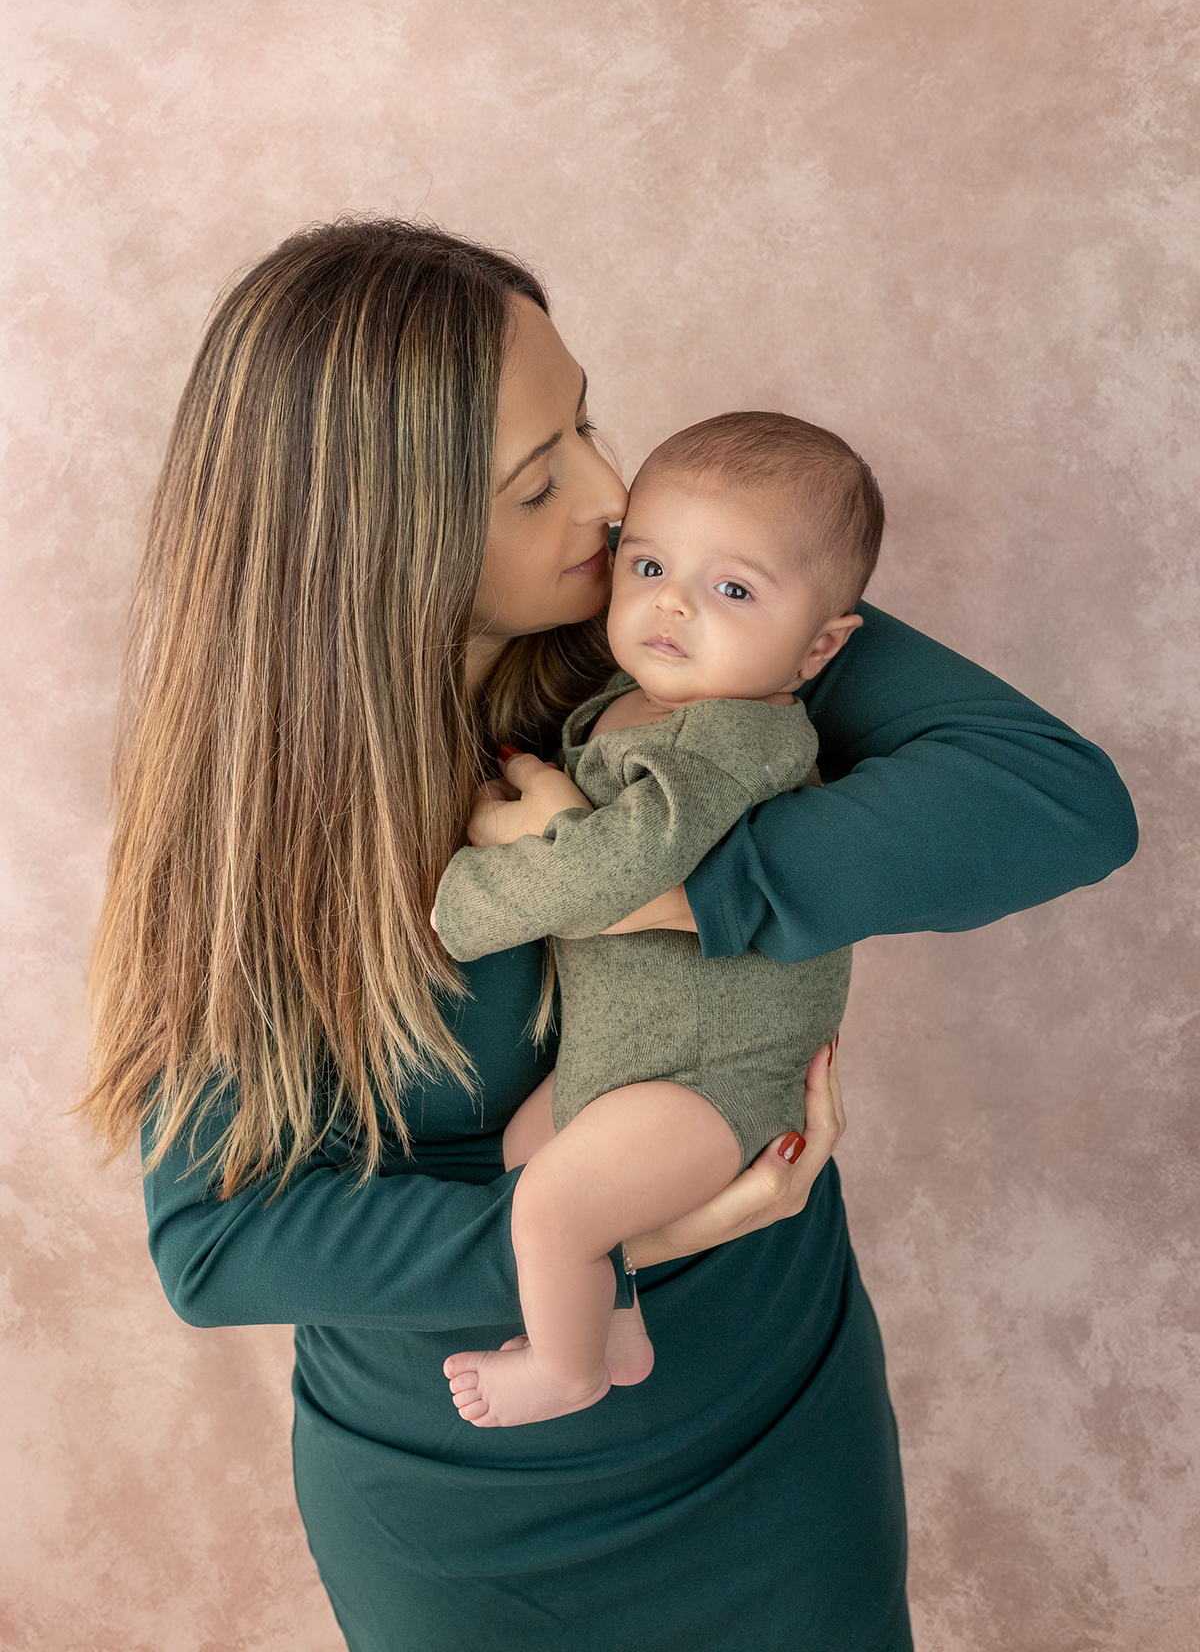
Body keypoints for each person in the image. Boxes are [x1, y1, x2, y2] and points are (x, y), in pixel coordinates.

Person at [78, 218, 1137, 1652]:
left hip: (775, 1432)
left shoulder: (685, 626)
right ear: (384, 536)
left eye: (586, 421)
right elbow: (217, 1244)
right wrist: (602, 1231)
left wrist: (666, 885)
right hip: (465, 1508)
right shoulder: (251, 820)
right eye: (537, 480)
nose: (611, 493)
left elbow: (1055, 801)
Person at [434, 412, 880, 1427]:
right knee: (526, 1158)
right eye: (646, 568)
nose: (671, 604)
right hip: (630, 1059)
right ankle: (612, 1320)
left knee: (547, 1206)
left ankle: (565, 1373)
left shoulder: (734, 738)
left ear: (817, 646)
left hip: (712, 1079)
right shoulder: (630, 704)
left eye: (731, 591)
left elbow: (614, 868)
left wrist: (463, 899)